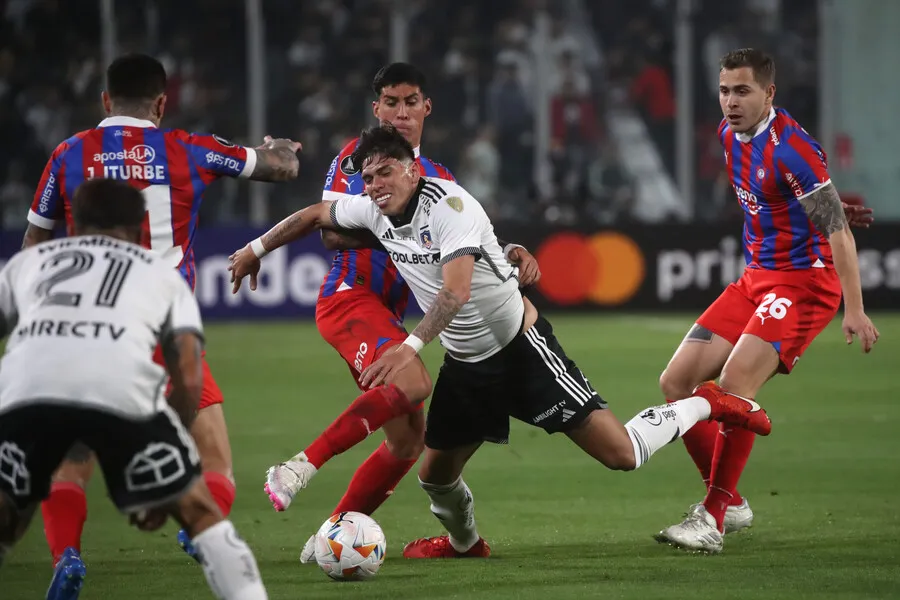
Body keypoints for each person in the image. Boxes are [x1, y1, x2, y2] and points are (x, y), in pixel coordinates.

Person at [231, 123, 771, 559]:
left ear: (412, 169)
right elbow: (315, 214)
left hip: (522, 351)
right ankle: (466, 545)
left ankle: (710, 401)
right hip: (467, 365)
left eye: (386, 172)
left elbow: (456, 293)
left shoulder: (451, 207)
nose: (375, 185)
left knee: (622, 455)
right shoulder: (373, 208)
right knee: (435, 478)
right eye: (369, 177)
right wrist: (256, 249)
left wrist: (409, 348)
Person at [228, 63, 540, 564]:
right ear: (376, 108)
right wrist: (257, 247)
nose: (400, 112)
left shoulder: (440, 178)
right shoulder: (359, 160)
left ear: (426, 108)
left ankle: (330, 536)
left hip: (390, 312)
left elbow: (467, 243)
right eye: (390, 103)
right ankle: (297, 467)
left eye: (410, 102)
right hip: (351, 296)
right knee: (414, 381)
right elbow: (330, 232)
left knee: (408, 442)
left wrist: (509, 251)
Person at [21, 52, 301, 575]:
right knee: (214, 458)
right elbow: (282, 167)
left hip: (86, 331)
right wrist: (279, 148)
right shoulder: (189, 149)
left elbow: (34, 243)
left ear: (106, 100)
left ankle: (67, 557)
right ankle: (198, 529)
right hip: (164, 332)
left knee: (71, 459)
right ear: (161, 103)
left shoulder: (68, 154)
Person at [654, 48, 879, 554]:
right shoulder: (728, 135)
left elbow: (838, 234)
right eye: (724, 91)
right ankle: (731, 501)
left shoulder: (793, 149)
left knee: (734, 386)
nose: (730, 102)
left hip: (803, 284)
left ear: (769, 93)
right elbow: (780, 201)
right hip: (755, 278)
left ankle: (712, 518)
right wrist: (817, 204)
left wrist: (855, 308)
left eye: (743, 91)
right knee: (676, 382)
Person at [0, 179, 268, 600]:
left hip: (26, 390)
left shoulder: (28, 263)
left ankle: (64, 554)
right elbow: (189, 377)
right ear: (139, 228)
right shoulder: (160, 275)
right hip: (119, 385)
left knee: (10, 517)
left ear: (73, 224)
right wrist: (167, 455)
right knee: (200, 513)